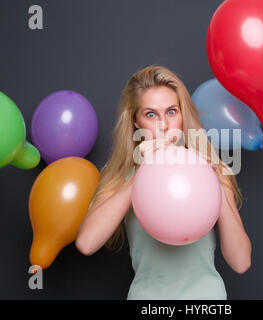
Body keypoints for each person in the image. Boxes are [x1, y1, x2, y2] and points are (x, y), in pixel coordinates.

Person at [75, 65, 252, 299]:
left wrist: (213, 179)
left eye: (171, 111)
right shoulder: (122, 175)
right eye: (151, 114)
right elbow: (87, 243)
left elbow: (240, 262)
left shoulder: (213, 170)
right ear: (135, 121)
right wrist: (140, 174)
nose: (164, 125)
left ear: (182, 115)